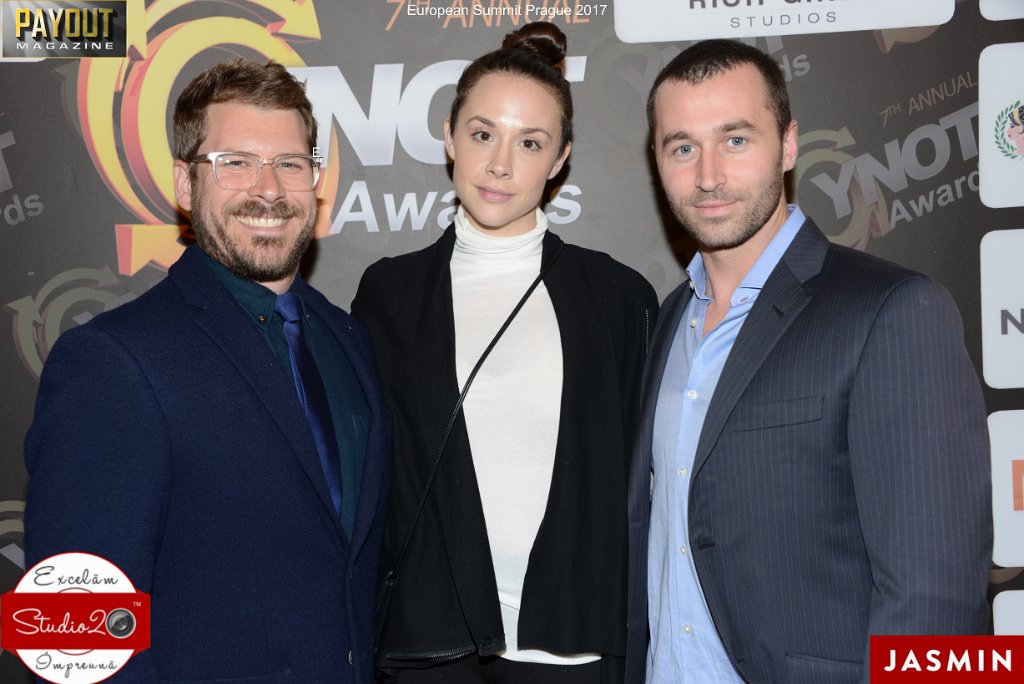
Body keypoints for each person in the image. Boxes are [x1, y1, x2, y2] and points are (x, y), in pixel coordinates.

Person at [624, 39, 992, 684]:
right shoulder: (668, 319)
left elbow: (936, 597)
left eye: (735, 139)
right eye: (682, 148)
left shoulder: (893, 309)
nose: (708, 175)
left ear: (789, 145)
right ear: (656, 161)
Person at [23, 59, 391, 683]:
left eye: (290, 164)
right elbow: (70, 635)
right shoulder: (112, 360)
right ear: (186, 184)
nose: (268, 189)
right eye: (236, 162)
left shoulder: (348, 338)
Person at [354, 23, 657, 684]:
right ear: (449, 137)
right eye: (482, 133)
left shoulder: (617, 297)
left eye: (530, 143)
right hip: (430, 646)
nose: (500, 165)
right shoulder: (389, 293)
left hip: (569, 645)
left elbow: (644, 488)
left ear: (560, 160)